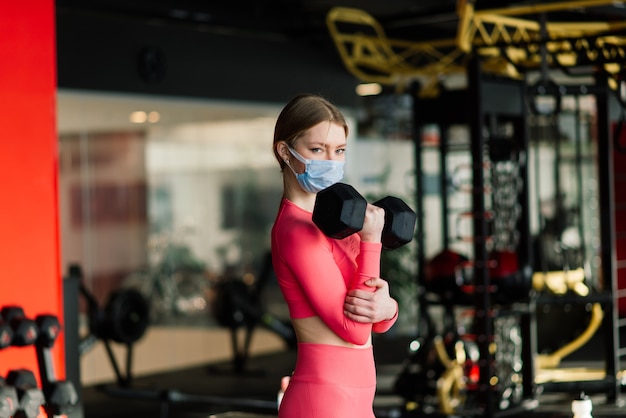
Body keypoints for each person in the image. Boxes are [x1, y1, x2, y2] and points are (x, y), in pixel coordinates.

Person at [271, 93, 399, 417]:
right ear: (285, 152)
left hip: (355, 401)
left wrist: (389, 308)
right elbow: (355, 330)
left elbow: (375, 319)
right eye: (318, 149)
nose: (330, 161)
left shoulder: (336, 221)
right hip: (322, 402)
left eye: (339, 150)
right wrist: (371, 240)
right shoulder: (295, 231)